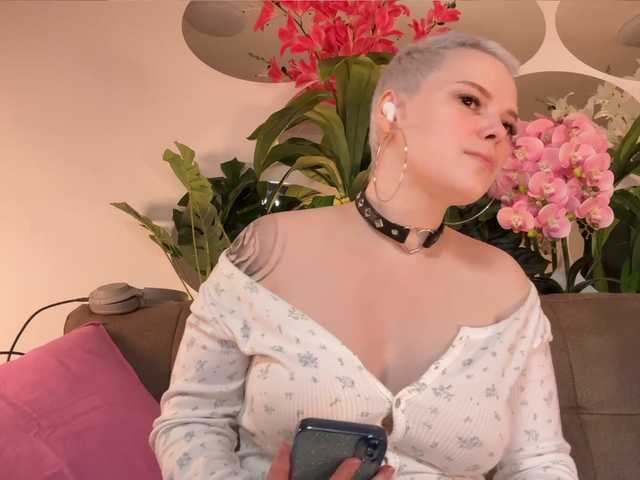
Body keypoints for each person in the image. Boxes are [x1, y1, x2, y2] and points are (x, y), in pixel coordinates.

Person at [149, 31, 580, 479]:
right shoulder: (269, 249)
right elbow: (192, 421)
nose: (496, 133)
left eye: (508, 125)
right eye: (470, 101)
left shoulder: (509, 287)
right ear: (391, 110)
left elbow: (539, 461)